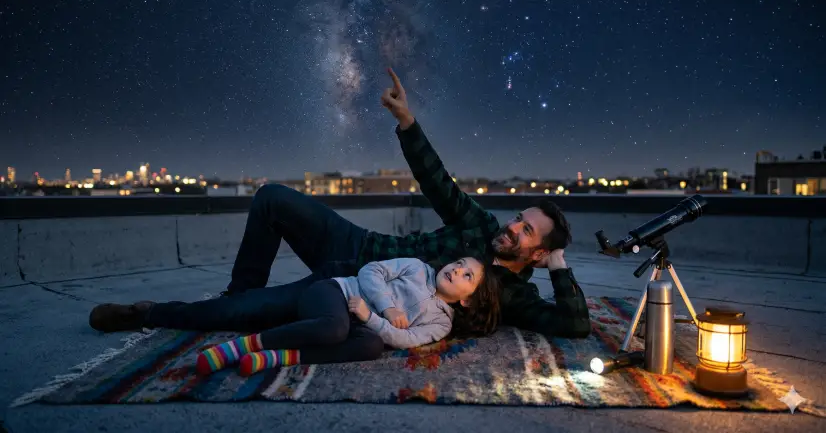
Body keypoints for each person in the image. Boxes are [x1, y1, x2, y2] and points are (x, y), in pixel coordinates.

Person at [214, 67, 591, 340]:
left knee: (246, 316)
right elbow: (439, 183)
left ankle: (233, 307)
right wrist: (407, 122)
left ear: (538, 253)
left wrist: (559, 267)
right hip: (361, 247)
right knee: (272, 198)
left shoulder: (516, 296)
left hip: (358, 296)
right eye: (518, 219)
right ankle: (239, 291)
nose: (512, 228)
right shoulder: (481, 224)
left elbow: (575, 326)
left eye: (526, 231)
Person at [89, 256, 500, 376]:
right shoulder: (415, 266)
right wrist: (385, 307)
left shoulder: (442, 321)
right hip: (332, 294)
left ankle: (275, 356)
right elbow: (370, 272)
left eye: (468, 276)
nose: (457, 270)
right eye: (460, 262)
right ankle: (149, 314)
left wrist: (373, 320)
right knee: (237, 311)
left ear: (467, 299)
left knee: (371, 345)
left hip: (358, 320)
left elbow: (405, 340)